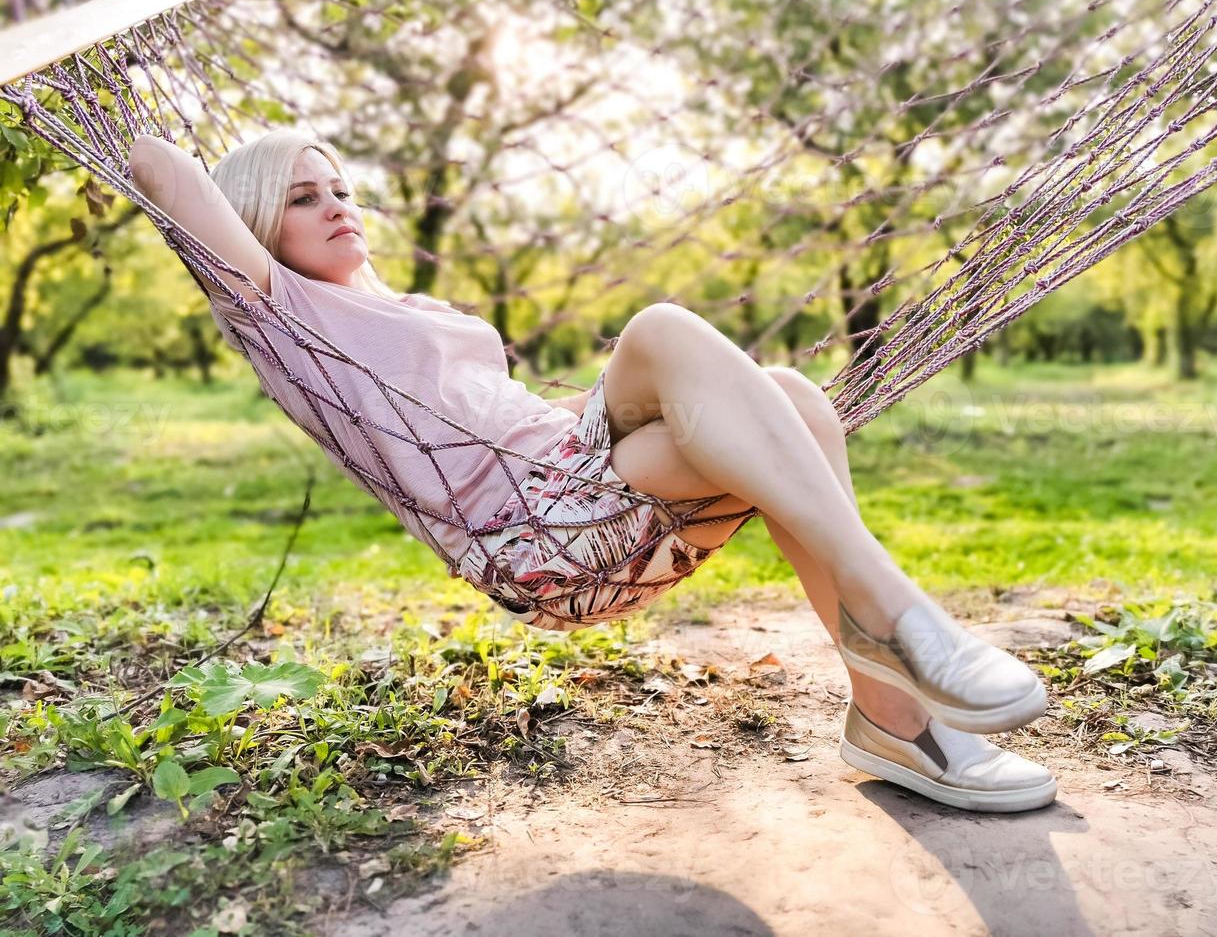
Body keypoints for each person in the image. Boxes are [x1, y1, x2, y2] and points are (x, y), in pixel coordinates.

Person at [128, 129, 1057, 813]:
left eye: (339, 187)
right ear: (249, 224)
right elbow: (157, 167)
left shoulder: (395, 305)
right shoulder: (278, 315)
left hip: (577, 474)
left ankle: (892, 724)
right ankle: (901, 621)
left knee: (795, 400)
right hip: (534, 533)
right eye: (300, 197)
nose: (336, 205)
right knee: (658, 328)